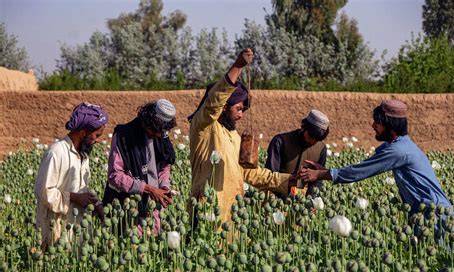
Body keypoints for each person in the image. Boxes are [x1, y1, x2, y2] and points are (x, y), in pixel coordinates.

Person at [188, 48, 292, 224]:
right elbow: (214, 102)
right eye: (238, 109)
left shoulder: (234, 136)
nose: (241, 114)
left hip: (232, 213)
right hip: (207, 211)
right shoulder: (204, 127)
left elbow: (250, 173)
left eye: (243, 110)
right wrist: (238, 66)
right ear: (224, 107)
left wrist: (289, 179)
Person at [299, 100, 452, 214]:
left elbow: (360, 172)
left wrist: (319, 174)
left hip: (436, 215)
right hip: (422, 214)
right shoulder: (397, 146)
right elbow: (361, 166)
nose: (373, 126)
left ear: (390, 125)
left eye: (377, 122)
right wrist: (326, 171)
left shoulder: (399, 151)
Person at [35, 102, 108, 249]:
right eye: (97, 135)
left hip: (77, 226)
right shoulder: (56, 153)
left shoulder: (83, 154)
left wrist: (97, 205)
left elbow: (82, 190)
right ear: (83, 132)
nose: (98, 140)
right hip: (55, 229)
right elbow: (44, 192)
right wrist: (74, 197)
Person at [102, 99, 177, 236]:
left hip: (153, 209)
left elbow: (164, 165)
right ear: (146, 122)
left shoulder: (161, 135)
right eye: (154, 132)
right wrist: (148, 189)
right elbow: (115, 175)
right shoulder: (123, 136)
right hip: (126, 209)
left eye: (160, 133)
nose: (157, 135)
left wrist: (164, 187)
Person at [265, 109, 329, 196]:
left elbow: (316, 181)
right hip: (276, 198)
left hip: (302, 203)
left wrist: (313, 200)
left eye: (317, 139)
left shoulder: (321, 149)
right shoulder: (280, 142)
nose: (313, 142)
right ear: (303, 127)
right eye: (311, 136)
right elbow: (270, 175)